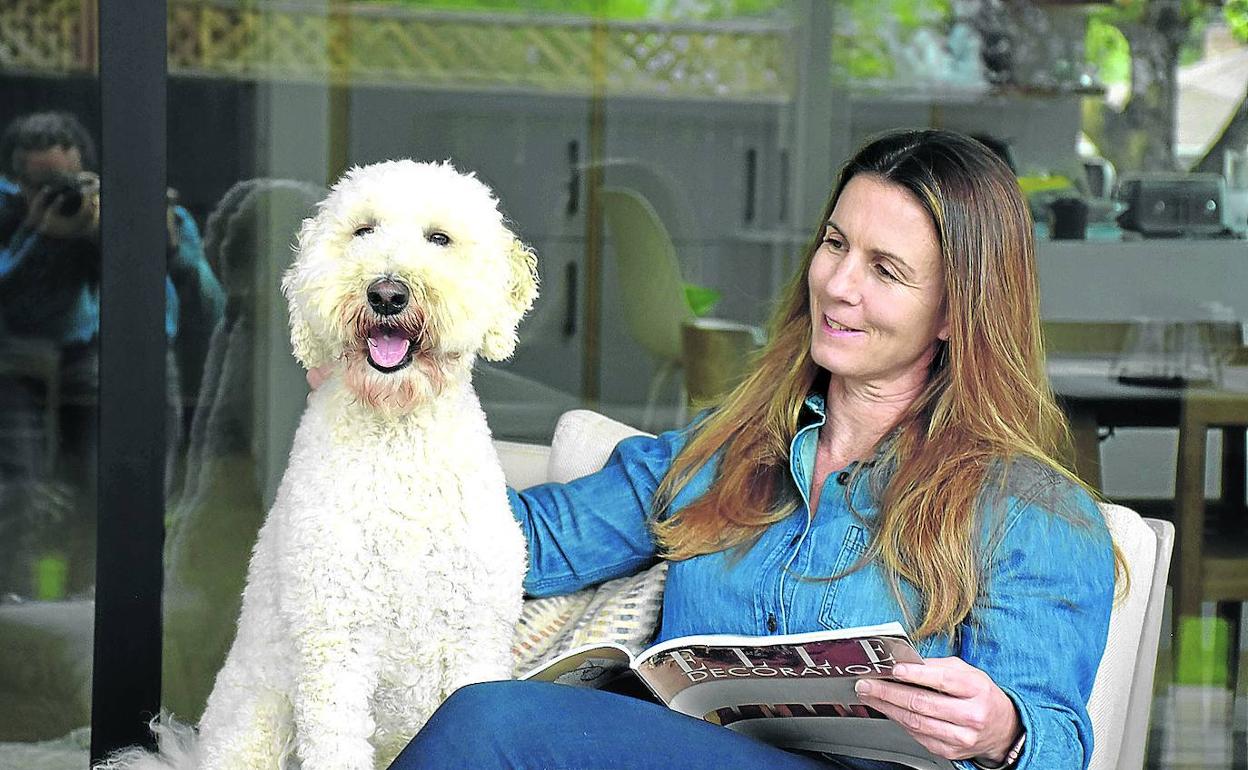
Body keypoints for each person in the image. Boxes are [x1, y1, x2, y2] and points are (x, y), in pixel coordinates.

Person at [377, 129, 1120, 769]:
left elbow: (1057, 737)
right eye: (835, 244)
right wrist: (383, 410)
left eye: (885, 270)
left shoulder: (1031, 510)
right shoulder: (721, 449)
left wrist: (1000, 730)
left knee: (496, 723)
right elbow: (516, 542)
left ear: (957, 312)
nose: (838, 284)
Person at [0, 111, 224, 594]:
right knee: (27, 499)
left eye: (69, 182)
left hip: (131, 365)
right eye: (40, 184)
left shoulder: (136, 209)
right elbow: (12, 302)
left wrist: (166, 249)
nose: (60, 195)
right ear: (15, 183)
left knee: (127, 500)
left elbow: (210, 307)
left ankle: (109, 602)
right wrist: (41, 236)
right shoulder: (14, 219)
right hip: (32, 371)